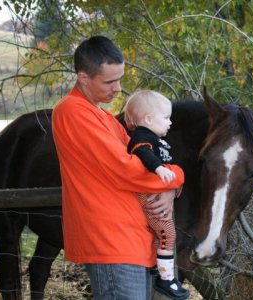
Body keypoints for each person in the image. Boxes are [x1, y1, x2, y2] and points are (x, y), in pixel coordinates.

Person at [52, 35, 185, 300]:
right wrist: (174, 179)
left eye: (120, 79)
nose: (118, 88)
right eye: (110, 81)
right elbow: (128, 169)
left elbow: (152, 162)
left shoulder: (104, 117)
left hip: (132, 241)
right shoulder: (73, 112)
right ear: (84, 78)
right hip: (111, 241)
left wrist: (175, 182)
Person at [124, 90, 190, 300]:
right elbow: (143, 153)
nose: (170, 122)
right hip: (150, 196)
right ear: (148, 119)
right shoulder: (142, 137)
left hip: (156, 192)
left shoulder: (156, 138)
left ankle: (159, 269)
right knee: (167, 234)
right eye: (166, 117)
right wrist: (159, 169)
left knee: (161, 235)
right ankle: (166, 279)